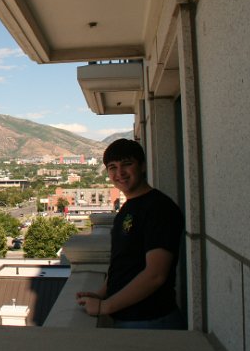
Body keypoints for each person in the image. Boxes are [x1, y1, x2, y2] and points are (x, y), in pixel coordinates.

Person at [76, 138, 185, 329]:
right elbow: (123, 262)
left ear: (142, 166)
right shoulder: (127, 209)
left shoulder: (159, 208)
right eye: (112, 167)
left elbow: (156, 274)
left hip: (152, 320)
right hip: (129, 317)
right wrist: (102, 293)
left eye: (127, 164)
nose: (120, 173)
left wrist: (105, 306)